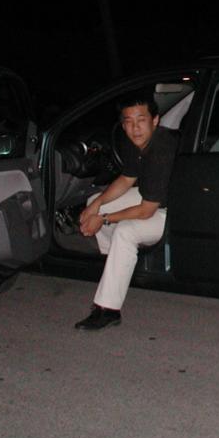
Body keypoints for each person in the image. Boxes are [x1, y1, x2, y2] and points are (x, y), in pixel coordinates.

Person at [74, 92, 178, 330]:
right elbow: (127, 178)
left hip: (171, 212)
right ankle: (117, 264)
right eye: (128, 121)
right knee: (95, 200)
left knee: (125, 231)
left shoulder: (162, 149)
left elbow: (146, 211)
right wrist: (97, 205)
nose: (135, 128)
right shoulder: (133, 140)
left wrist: (103, 219)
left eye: (141, 120)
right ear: (122, 124)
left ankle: (108, 310)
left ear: (155, 120)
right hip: (152, 200)